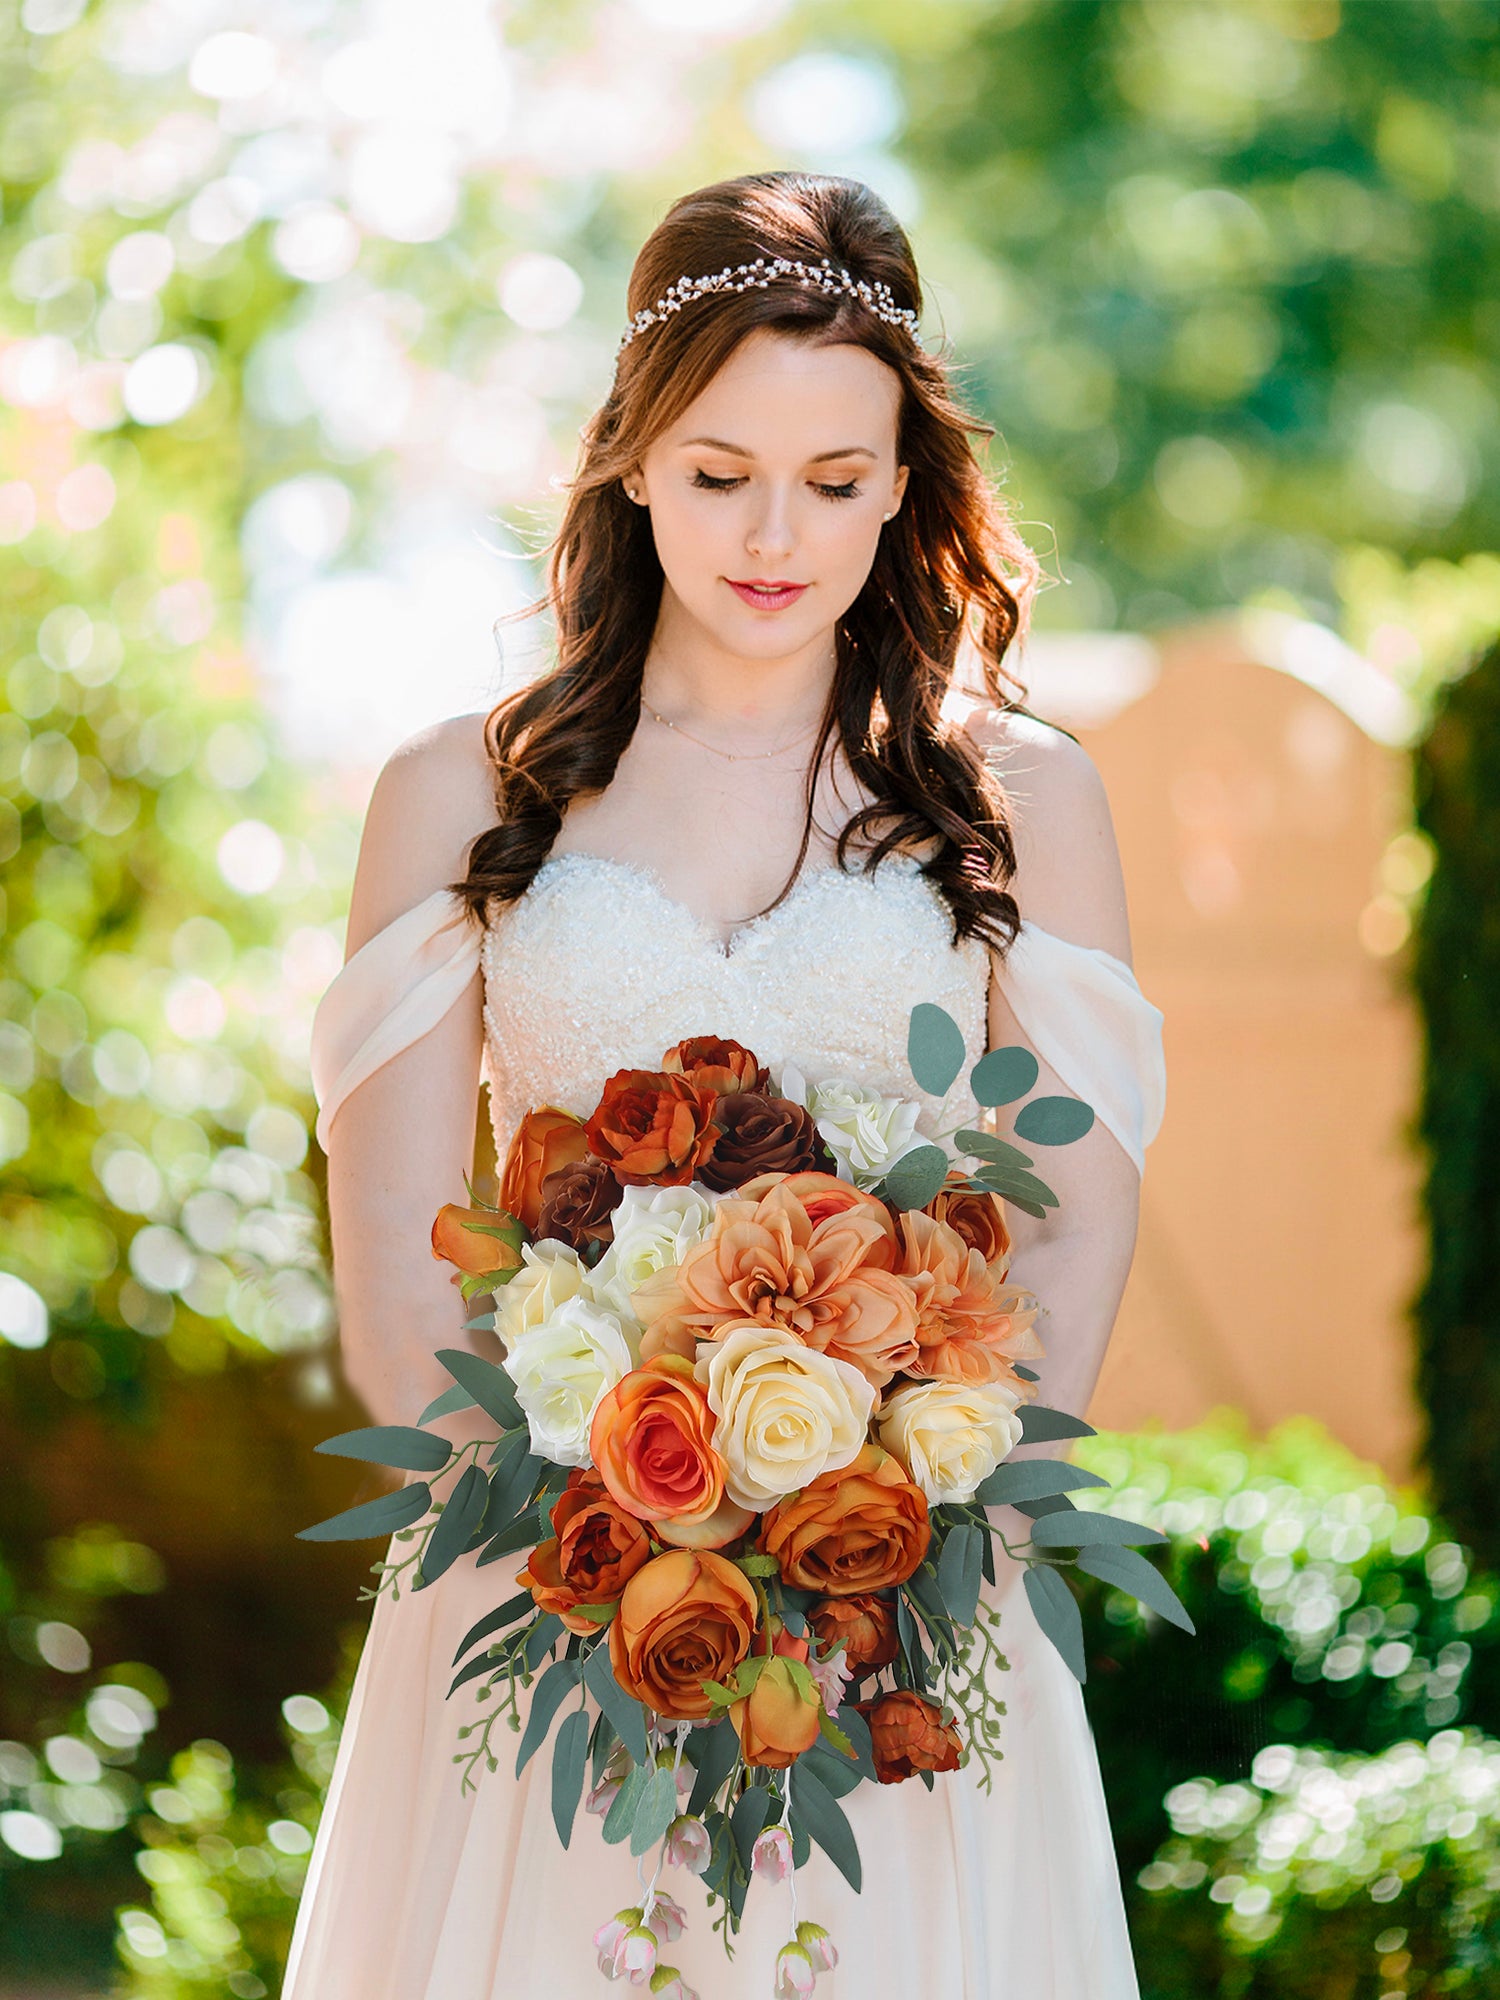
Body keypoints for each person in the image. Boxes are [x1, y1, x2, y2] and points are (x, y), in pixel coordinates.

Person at [285, 170, 1165, 1998]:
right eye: (719, 472)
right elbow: (390, 1259)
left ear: (908, 479)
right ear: (626, 461)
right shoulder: (461, 794)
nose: (777, 532)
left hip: (907, 1590)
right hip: (542, 1578)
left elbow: (1068, 1218)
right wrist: (593, 1561)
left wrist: (917, 1542)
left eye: (837, 482)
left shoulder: (1020, 800)